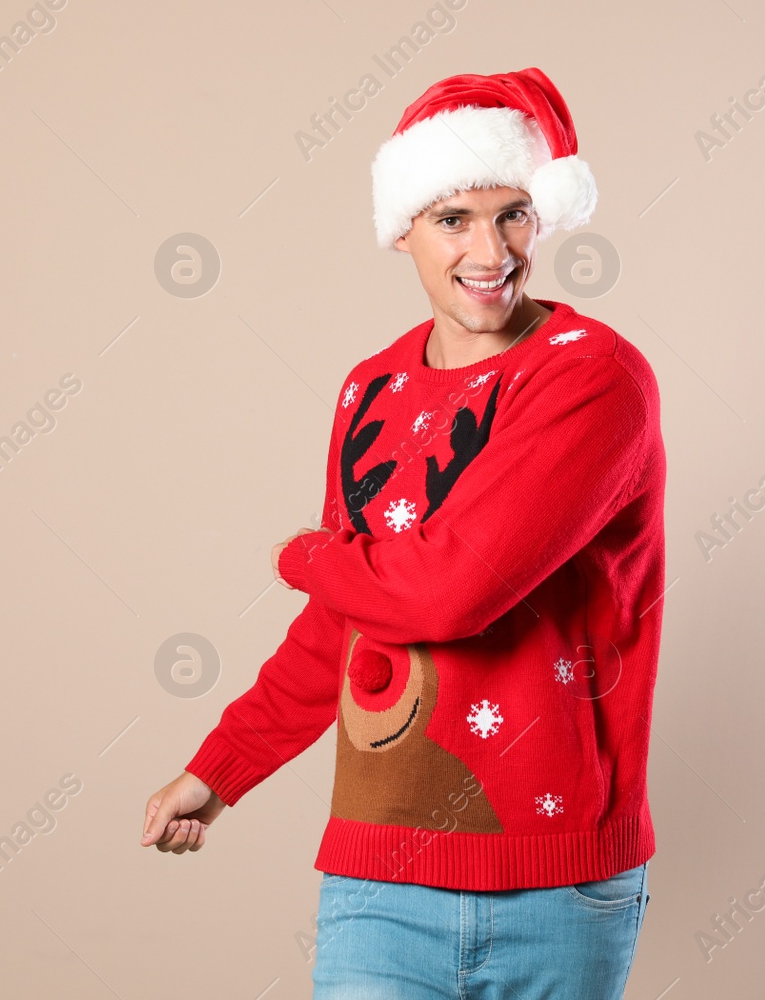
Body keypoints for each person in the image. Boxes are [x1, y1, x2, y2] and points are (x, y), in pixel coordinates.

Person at [141, 67, 668, 998]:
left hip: (555, 878)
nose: (489, 249)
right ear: (404, 232)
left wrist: (302, 555)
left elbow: (449, 589)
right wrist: (220, 769)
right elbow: (352, 622)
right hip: (380, 875)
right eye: (452, 218)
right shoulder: (370, 389)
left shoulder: (594, 378)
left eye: (512, 214)